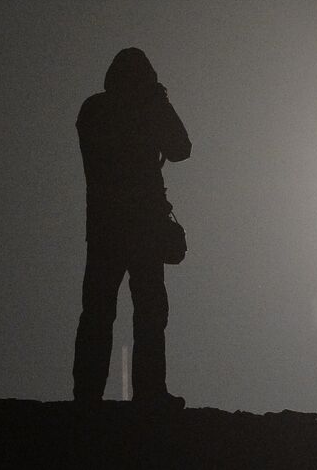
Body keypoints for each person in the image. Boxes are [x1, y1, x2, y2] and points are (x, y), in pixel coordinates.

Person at [73, 47, 191, 409]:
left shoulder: (94, 108)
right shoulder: (127, 110)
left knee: (104, 310)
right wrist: (159, 103)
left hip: (112, 225)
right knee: (143, 311)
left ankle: (90, 396)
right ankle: (147, 393)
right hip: (136, 225)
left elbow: (180, 149)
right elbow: (181, 147)